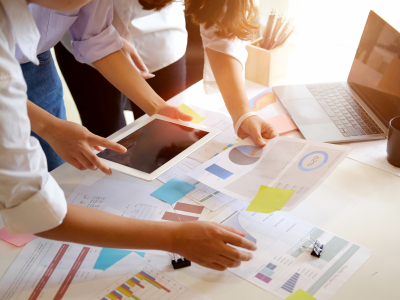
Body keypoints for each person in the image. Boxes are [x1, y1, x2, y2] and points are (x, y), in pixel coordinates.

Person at [0, 0, 256, 271]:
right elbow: (34, 209)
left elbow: (94, 36)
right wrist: (173, 237)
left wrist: (157, 107)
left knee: (56, 180)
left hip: (31, 60)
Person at [54, 0, 189, 138]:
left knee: (164, 136)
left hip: (161, 39)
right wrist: (108, 39)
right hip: (83, 45)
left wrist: (158, 107)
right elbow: (93, 38)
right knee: (106, 135)